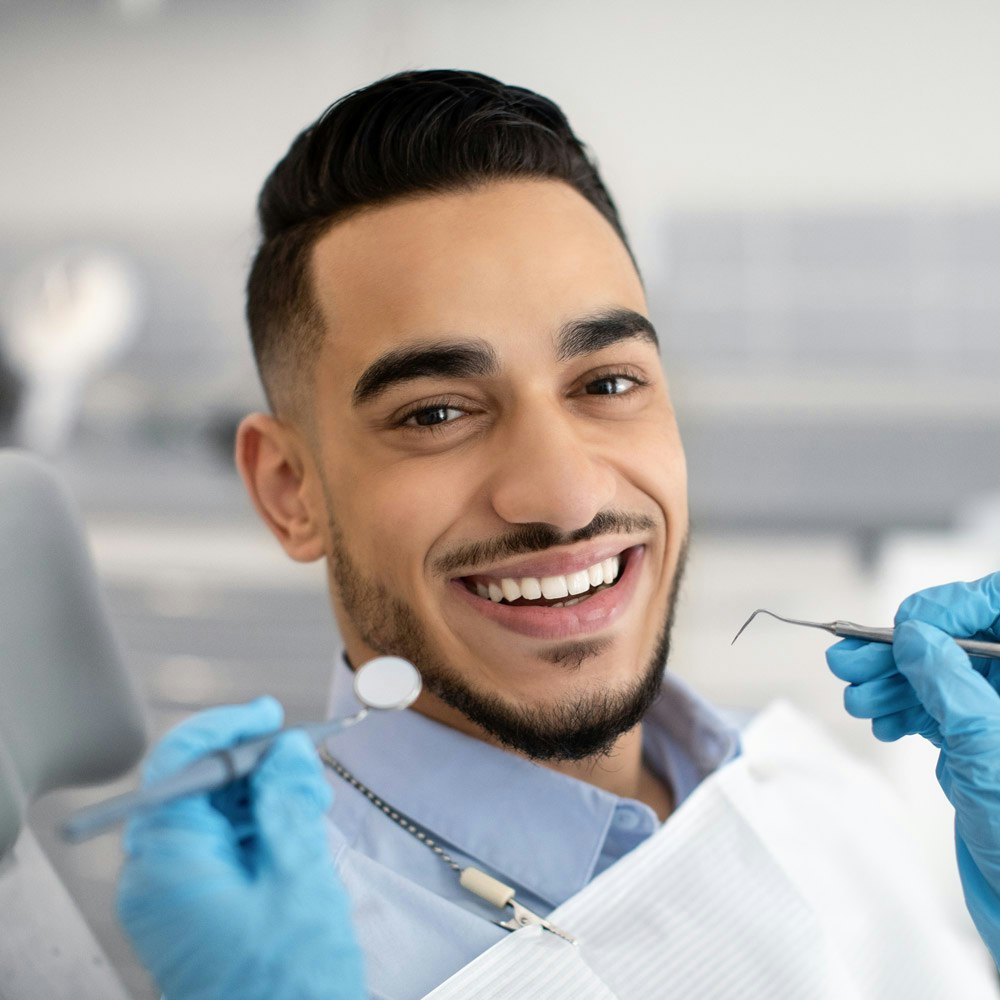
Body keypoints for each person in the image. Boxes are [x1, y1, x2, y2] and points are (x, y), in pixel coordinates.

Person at [116, 70, 1000, 999]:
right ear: (290, 490)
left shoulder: (820, 782)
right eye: (436, 413)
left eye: (608, 384)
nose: (566, 496)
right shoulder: (291, 955)